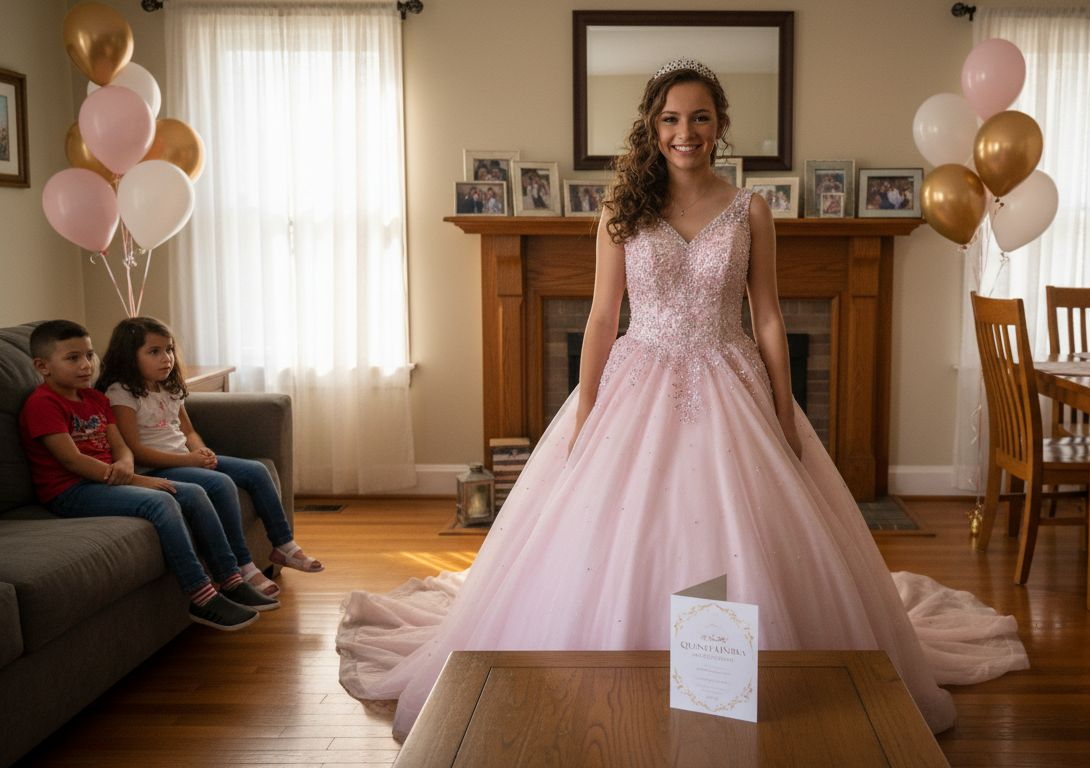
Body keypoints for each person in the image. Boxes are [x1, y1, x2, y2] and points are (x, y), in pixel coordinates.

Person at [336, 59, 1026, 739]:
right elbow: (604, 317)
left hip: (733, 380)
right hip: (641, 377)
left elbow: (769, 319)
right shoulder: (622, 209)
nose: (684, 131)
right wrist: (587, 411)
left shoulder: (750, 209)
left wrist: (787, 414)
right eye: (670, 118)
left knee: (732, 531)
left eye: (699, 117)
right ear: (653, 126)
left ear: (721, 124)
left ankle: (718, 684)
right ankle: (625, 681)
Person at [18, 320, 277, 631]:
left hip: (110, 479)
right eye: (73, 358)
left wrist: (126, 463)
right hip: (71, 491)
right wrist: (138, 480)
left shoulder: (96, 399)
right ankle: (201, 596)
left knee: (194, 493)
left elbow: (120, 446)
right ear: (42, 366)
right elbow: (72, 461)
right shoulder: (42, 404)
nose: (86, 365)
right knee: (162, 502)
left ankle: (232, 579)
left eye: (89, 355)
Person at [94, 317, 325, 599]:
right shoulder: (122, 393)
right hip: (153, 467)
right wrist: (189, 462)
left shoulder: (167, 386)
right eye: (154, 352)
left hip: (183, 458)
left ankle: (283, 545)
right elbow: (136, 450)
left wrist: (200, 451)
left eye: (168, 350)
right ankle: (243, 565)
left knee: (255, 471)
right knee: (219, 484)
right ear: (128, 357)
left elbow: (188, 430)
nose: (166, 358)